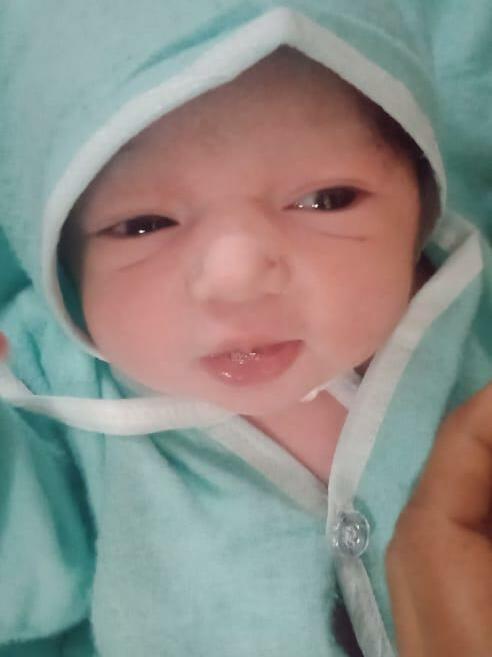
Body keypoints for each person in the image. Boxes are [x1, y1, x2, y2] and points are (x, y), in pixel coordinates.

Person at [0, 2, 490, 656]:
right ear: (62, 263)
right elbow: (26, 578)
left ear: (422, 199)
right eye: (144, 224)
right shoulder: (48, 380)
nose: (236, 278)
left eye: (324, 200)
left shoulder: (471, 316)